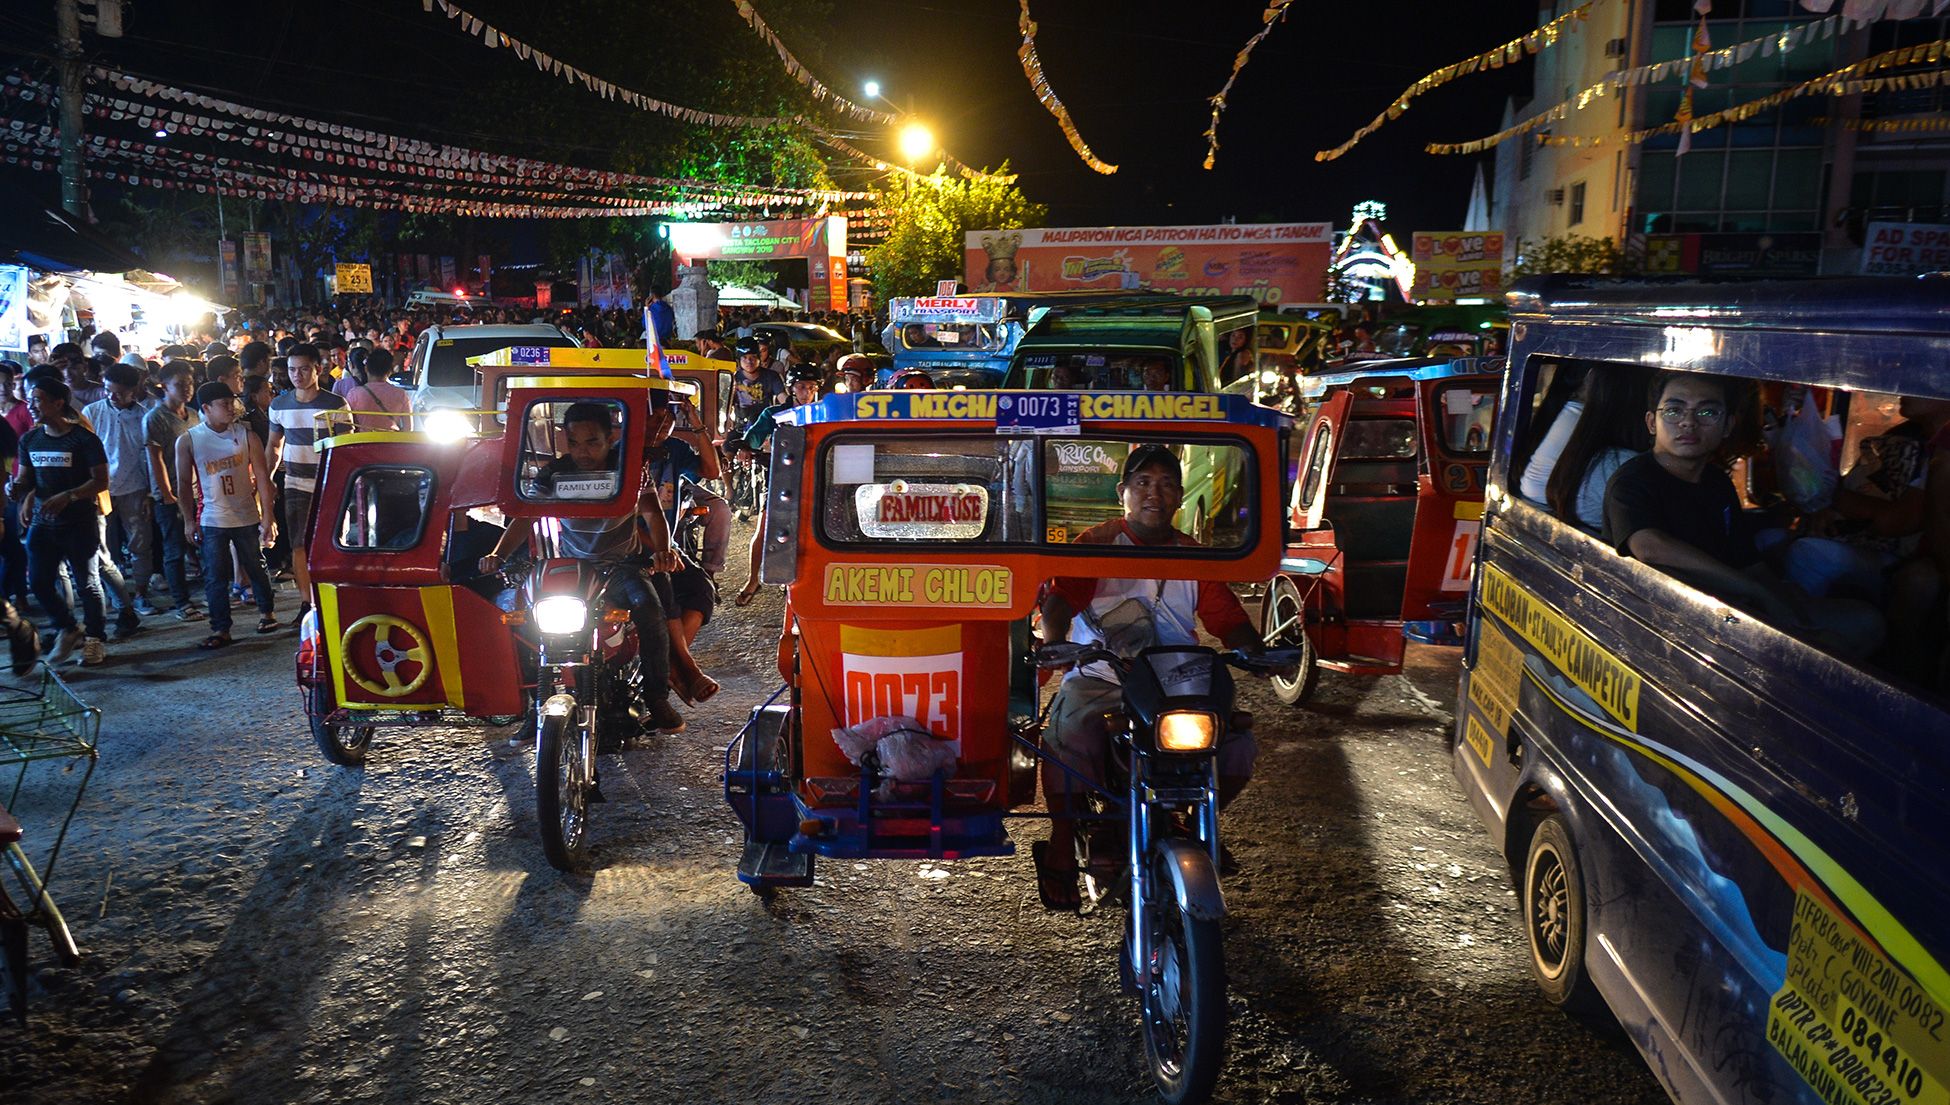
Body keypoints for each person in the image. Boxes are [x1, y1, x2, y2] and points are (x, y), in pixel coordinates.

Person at [1034, 444, 1261, 910]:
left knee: (1236, 747)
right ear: (1123, 493)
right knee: (1068, 738)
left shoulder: (1194, 555)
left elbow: (1226, 617)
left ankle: (1189, 820)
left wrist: (1257, 650)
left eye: (1165, 484)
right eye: (1143, 483)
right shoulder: (1096, 543)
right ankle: (1061, 842)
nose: (1154, 494)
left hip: (1175, 681)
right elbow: (1061, 599)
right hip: (1102, 674)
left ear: (1180, 495)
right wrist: (1054, 641)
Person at [1604, 371, 1883, 660]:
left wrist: (1778, 595)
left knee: (1867, 621)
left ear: (1728, 425)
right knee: (1828, 647)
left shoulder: (1717, 483)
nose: (1688, 421)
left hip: (1731, 606)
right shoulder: (1633, 479)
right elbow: (1649, 547)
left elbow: (1746, 560)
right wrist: (1755, 591)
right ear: (1652, 422)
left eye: (1707, 411)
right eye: (1674, 410)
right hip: (1669, 622)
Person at [476, 402, 685, 733]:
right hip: (572, 568)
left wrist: (663, 550)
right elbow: (524, 517)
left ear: (611, 438)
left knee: (649, 610)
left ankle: (657, 697)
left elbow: (653, 514)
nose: (583, 452)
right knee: (521, 618)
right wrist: (498, 554)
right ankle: (535, 705)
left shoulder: (630, 471)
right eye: (574, 443)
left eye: (592, 442)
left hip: (622, 568)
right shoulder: (552, 474)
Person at [12, 378, 110, 665]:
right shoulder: (30, 439)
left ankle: (95, 639)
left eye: (38, 399)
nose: (31, 405)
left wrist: (70, 496)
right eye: (30, 399)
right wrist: (15, 489)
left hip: (79, 523)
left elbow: (101, 481)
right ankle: (68, 628)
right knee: (40, 582)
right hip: (43, 524)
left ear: (58, 403)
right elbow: (25, 479)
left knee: (87, 584)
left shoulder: (83, 439)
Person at [178, 382, 279, 648]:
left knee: (256, 566)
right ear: (206, 408)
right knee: (214, 576)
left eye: (231, 402)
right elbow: (183, 484)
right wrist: (189, 520)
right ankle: (220, 628)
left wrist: (268, 516)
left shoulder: (247, 436)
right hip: (211, 518)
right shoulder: (189, 440)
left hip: (246, 514)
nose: (230, 408)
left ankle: (266, 613)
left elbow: (262, 477)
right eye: (223, 404)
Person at [266, 344, 347, 617]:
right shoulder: (278, 405)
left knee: (331, 542)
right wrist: (266, 479)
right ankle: (306, 603)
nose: (297, 375)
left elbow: (345, 448)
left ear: (318, 369)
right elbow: (274, 445)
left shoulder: (335, 404)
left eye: (303, 369)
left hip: (329, 486)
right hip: (295, 484)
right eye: (292, 370)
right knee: (298, 543)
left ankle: (333, 597)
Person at [732, 363, 822, 607]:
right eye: (802, 386)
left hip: (815, 479)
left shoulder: (823, 413)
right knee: (764, 528)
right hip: (778, 477)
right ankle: (753, 579)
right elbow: (753, 437)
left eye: (812, 387)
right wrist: (745, 449)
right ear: (792, 388)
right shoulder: (774, 414)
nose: (807, 392)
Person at [84, 362, 160, 623]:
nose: (112, 396)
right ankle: (117, 598)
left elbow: (151, 458)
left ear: (133, 390)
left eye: (118, 392)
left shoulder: (145, 416)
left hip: (136, 488)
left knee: (140, 543)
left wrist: (151, 493)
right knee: (104, 548)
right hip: (102, 489)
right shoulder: (92, 412)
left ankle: (140, 593)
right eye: (108, 390)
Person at [144, 362, 203, 620]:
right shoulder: (154, 418)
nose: (186, 389)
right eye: (180, 385)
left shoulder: (193, 414)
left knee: (202, 544)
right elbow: (155, 458)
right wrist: (167, 493)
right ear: (164, 386)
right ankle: (182, 602)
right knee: (174, 549)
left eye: (189, 383)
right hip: (170, 493)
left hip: (195, 491)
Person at [340, 346, 408, 431]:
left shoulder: (354, 394)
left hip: (364, 442)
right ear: (390, 371)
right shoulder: (401, 394)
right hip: (392, 442)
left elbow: (348, 426)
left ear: (366, 368)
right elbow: (408, 428)